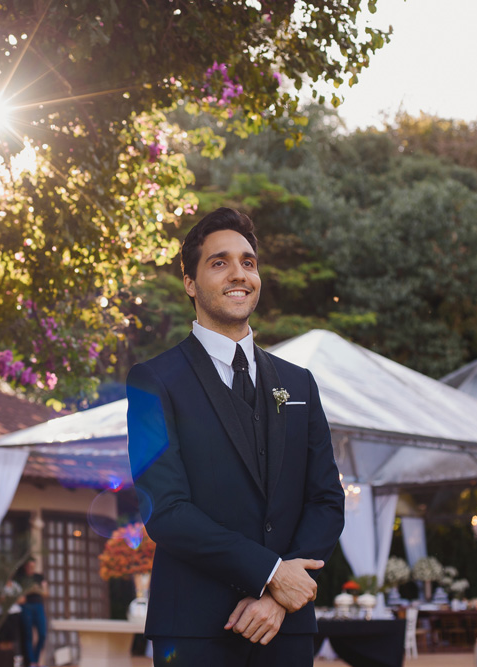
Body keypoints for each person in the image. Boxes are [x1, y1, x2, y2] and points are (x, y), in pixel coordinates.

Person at [126, 207, 344, 666]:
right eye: (219, 262)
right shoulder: (153, 381)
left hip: (286, 627)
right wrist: (268, 573)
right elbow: (165, 510)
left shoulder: (299, 383)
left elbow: (326, 500)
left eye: (248, 262)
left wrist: (281, 595)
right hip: (195, 630)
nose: (239, 273)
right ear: (190, 283)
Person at [14, 558, 47, 667]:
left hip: (38, 605)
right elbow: (18, 595)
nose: (31, 569)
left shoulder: (39, 577)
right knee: (28, 635)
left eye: (33, 566)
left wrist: (38, 590)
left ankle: (36, 659)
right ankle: (32, 662)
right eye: (29, 566)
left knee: (42, 634)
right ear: (26, 566)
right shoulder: (21, 578)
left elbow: (46, 592)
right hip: (26, 606)